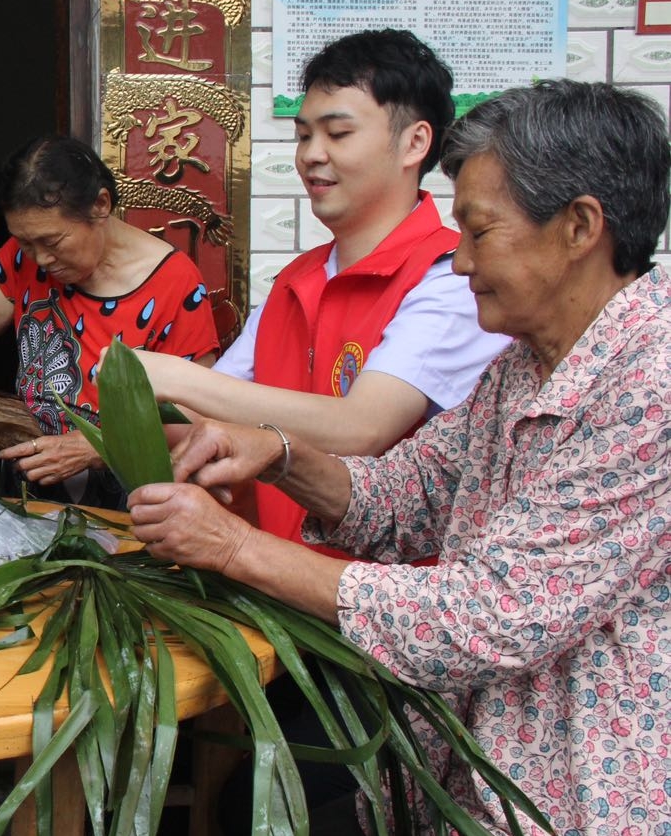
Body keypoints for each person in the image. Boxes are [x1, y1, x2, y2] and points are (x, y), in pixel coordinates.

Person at [128, 80, 671, 836]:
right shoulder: (525, 368)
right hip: (455, 806)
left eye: (481, 231)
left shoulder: (646, 385)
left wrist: (232, 546)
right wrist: (276, 452)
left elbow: (487, 618)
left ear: (581, 227)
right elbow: (407, 493)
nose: (459, 263)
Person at [134, 29, 509, 536]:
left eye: (338, 133)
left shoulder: (450, 276)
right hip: (277, 581)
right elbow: (211, 410)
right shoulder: (296, 278)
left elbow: (362, 427)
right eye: (304, 134)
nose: (311, 154)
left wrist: (177, 378)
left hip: (382, 602)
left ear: (415, 143)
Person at [0, 133, 219, 508]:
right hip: (27, 485)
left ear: (101, 205)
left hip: (128, 496)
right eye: (25, 242)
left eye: (52, 242)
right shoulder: (18, 260)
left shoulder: (173, 281)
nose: (39, 259)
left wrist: (93, 447)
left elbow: (197, 413)